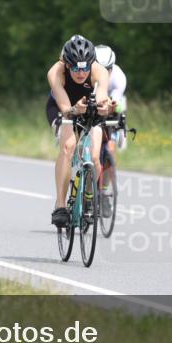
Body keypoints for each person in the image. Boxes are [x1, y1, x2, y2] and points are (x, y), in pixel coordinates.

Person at [46, 35, 110, 227]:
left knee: (95, 156)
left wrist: (103, 107)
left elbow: (101, 97)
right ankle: (60, 205)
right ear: (66, 64)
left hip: (88, 108)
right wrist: (74, 109)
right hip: (62, 107)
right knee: (68, 146)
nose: (81, 73)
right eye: (75, 68)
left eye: (84, 67)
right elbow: (65, 107)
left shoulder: (100, 71)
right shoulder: (56, 72)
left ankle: (89, 195)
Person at [94, 44, 127, 216]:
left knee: (109, 150)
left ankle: (103, 192)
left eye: (108, 68)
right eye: (100, 68)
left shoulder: (119, 77)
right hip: (93, 107)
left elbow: (115, 102)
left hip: (113, 109)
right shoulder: (89, 74)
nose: (104, 72)